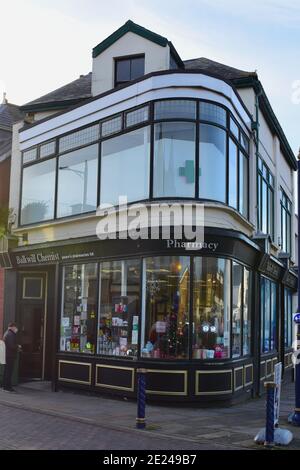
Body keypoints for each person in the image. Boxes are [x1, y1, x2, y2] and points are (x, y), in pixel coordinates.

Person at [2, 322, 18, 392]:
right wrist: (18, 346)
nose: (16, 329)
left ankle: (5, 386)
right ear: (12, 327)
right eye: (15, 327)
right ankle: (7, 387)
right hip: (10, 355)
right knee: (9, 371)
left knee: (6, 371)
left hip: (7, 355)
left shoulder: (6, 333)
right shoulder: (11, 334)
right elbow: (11, 346)